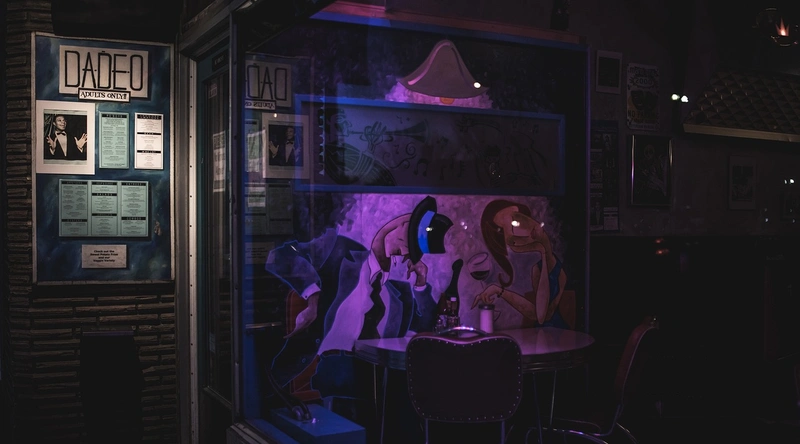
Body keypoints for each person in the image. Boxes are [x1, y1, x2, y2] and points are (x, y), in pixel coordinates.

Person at [265, 195, 453, 412]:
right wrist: (313, 296)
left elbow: (426, 328)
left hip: (378, 381)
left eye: (410, 250)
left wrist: (421, 285)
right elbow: (279, 256)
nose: (403, 252)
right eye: (404, 241)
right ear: (398, 224)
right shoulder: (339, 251)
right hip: (326, 373)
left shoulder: (401, 295)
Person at [471, 199, 570, 329]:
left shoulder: (556, 266)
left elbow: (542, 315)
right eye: (508, 228)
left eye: (516, 218)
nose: (522, 229)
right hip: (546, 335)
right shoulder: (538, 268)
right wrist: (498, 290)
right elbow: (539, 316)